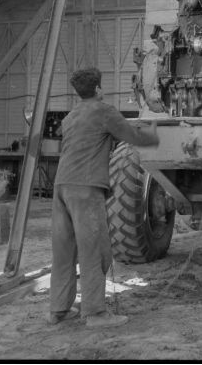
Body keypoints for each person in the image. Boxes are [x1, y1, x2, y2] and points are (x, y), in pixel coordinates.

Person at [49, 67, 159, 327]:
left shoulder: (71, 116)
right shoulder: (104, 111)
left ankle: (58, 310)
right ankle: (96, 313)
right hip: (86, 189)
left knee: (64, 251)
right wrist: (153, 134)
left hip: (61, 187)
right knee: (94, 250)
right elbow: (132, 137)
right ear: (98, 89)